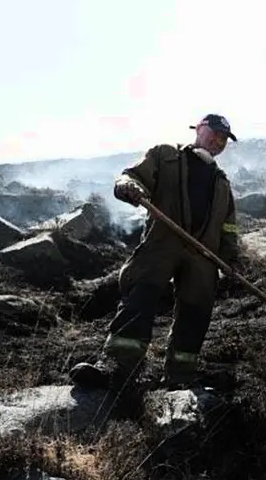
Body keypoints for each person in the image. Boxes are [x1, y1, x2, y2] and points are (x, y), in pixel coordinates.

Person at [69, 114, 241, 390]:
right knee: (140, 297)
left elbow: (229, 226)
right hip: (162, 242)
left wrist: (230, 258)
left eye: (223, 139)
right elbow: (131, 176)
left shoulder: (222, 182)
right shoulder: (165, 155)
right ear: (198, 129)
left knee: (196, 313)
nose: (218, 141)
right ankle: (117, 367)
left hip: (203, 256)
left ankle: (180, 376)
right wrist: (129, 187)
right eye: (214, 134)